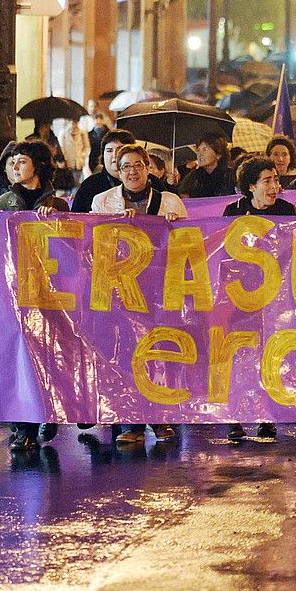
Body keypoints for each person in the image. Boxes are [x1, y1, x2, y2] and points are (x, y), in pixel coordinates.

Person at [0, 140, 69, 451]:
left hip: (48, 299)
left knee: (46, 360)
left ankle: (47, 415)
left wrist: (56, 221)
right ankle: (20, 429)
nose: (14, 167)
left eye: (21, 161)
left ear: (37, 165)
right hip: (10, 299)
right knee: (15, 360)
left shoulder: (59, 206)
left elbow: (75, 256)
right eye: (11, 162)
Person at [91, 144, 187, 448]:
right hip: (121, 292)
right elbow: (92, 241)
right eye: (126, 166)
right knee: (126, 354)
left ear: (149, 168)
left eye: (138, 165)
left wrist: (175, 225)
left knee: (159, 350)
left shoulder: (169, 200)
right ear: (118, 171)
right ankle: (129, 421)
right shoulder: (103, 201)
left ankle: (160, 418)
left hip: (160, 290)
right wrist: (118, 224)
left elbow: (190, 241)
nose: (133, 171)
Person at [222, 155, 296, 441]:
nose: (274, 186)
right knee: (241, 358)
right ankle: (237, 418)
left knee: (270, 355)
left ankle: (267, 416)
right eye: (267, 181)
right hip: (241, 300)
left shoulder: (287, 211)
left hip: (275, 299)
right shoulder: (234, 211)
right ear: (250, 186)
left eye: (276, 180)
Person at [71, 129, 140, 212]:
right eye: (109, 150)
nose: (114, 155)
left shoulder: (150, 183)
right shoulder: (90, 186)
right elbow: (76, 219)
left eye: (120, 149)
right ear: (103, 155)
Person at [178, 133, 236, 198]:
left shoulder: (231, 176)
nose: (200, 154)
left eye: (205, 149)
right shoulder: (192, 178)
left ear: (218, 154)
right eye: (198, 150)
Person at [58, 118, 90, 192]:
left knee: (78, 183)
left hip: (79, 162)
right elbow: (61, 148)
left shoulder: (82, 132)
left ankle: (74, 199)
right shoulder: (63, 133)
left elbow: (87, 146)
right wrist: (64, 159)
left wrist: (82, 156)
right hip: (68, 163)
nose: (73, 124)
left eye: (75, 122)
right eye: (72, 122)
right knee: (68, 183)